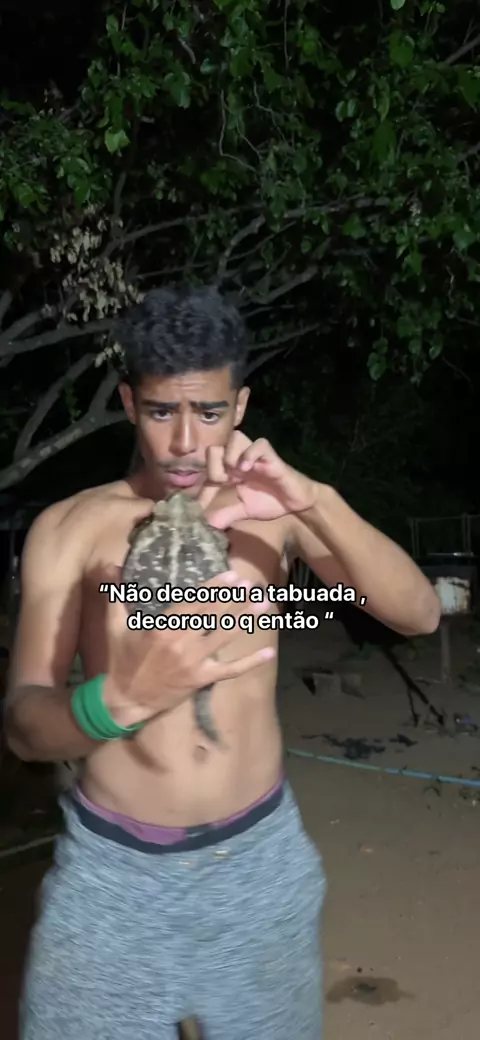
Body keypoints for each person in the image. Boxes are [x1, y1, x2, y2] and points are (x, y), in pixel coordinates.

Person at [5, 285, 441, 1040]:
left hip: (257, 865)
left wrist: (313, 500)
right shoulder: (71, 529)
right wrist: (117, 701)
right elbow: (23, 724)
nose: (184, 441)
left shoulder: (272, 514)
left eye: (208, 413)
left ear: (239, 407)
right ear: (128, 402)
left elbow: (418, 613)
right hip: (111, 880)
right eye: (160, 412)